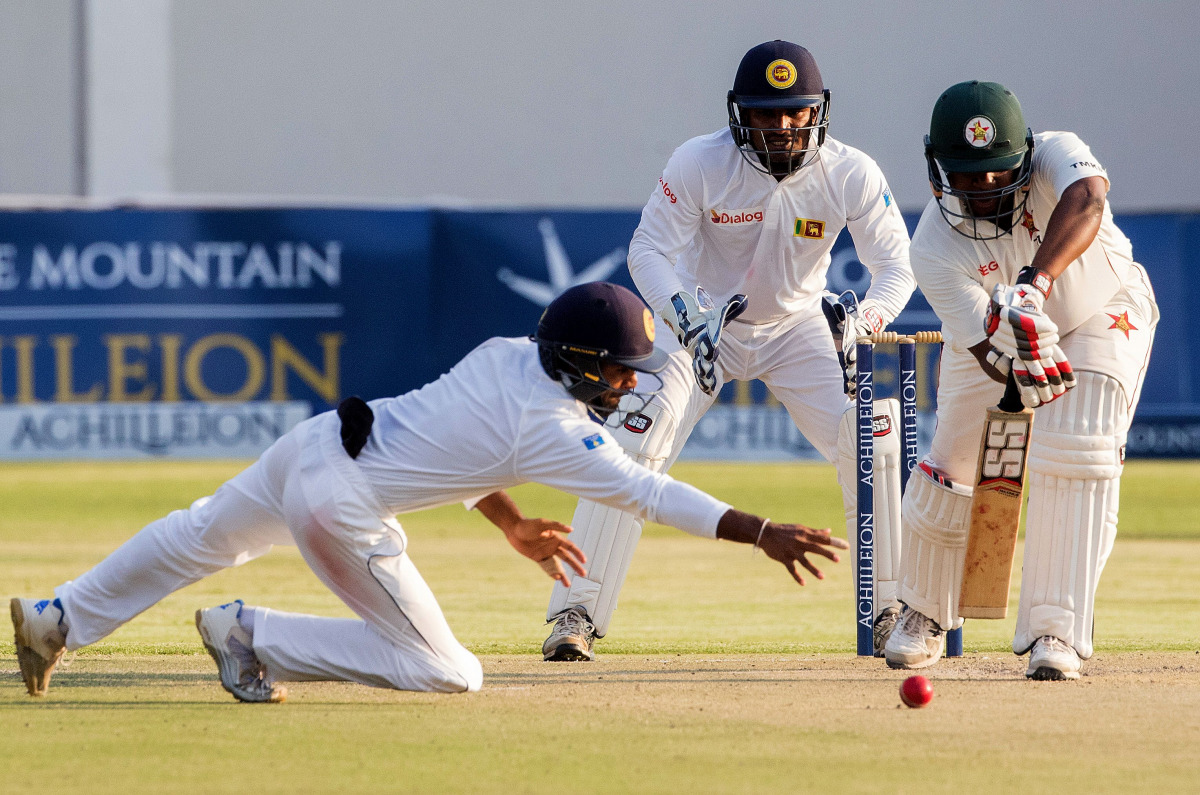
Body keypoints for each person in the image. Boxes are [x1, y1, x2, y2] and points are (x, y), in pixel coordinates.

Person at [11, 281, 848, 701]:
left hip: (314, 441)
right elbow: (650, 495)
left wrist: (513, 524)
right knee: (447, 670)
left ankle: (60, 616)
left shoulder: (502, 351)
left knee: (197, 533)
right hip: (339, 502)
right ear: (583, 363)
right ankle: (248, 633)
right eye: (621, 374)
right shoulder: (556, 429)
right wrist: (760, 528)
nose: (629, 390)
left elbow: (452, 450)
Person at [541, 40, 915, 662]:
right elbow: (648, 252)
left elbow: (895, 267)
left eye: (795, 112)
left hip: (798, 329)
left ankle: (890, 612)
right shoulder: (700, 162)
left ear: (819, 110)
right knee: (632, 442)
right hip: (704, 327)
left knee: (871, 437)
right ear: (739, 114)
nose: (781, 127)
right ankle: (574, 613)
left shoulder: (851, 171)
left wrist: (866, 321)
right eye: (765, 114)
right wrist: (686, 315)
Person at [883, 81, 1158, 680]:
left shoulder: (1060, 153)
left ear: (1026, 157)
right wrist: (1018, 354)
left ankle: (1055, 631)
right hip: (997, 337)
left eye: (996, 173)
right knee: (952, 461)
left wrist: (1036, 285)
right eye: (964, 175)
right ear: (936, 170)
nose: (981, 191)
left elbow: (1088, 198)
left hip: (1101, 308)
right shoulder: (930, 245)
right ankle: (925, 611)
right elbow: (982, 348)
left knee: (1074, 450)